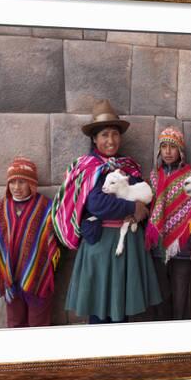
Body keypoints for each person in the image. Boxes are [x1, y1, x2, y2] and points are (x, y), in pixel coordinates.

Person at [52, 99, 162, 324]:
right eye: (104, 135)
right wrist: (132, 207)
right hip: (101, 246)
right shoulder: (88, 168)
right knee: (100, 309)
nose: (110, 140)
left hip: (127, 246)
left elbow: (142, 193)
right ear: (94, 138)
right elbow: (96, 204)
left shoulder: (127, 166)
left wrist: (142, 207)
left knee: (121, 308)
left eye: (114, 134)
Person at [0, 156, 60, 327]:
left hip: (38, 277)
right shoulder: (1, 208)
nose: (16, 187)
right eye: (12, 182)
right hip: (11, 280)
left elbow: (55, 240)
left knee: (38, 326)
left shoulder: (46, 207)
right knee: (15, 325)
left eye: (22, 182)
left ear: (32, 183)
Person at [145, 127, 191, 321]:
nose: (168, 151)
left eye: (173, 147)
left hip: (183, 246)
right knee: (161, 298)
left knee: (181, 298)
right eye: (164, 147)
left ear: (180, 150)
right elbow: (151, 205)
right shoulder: (154, 176)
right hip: (158, 247)